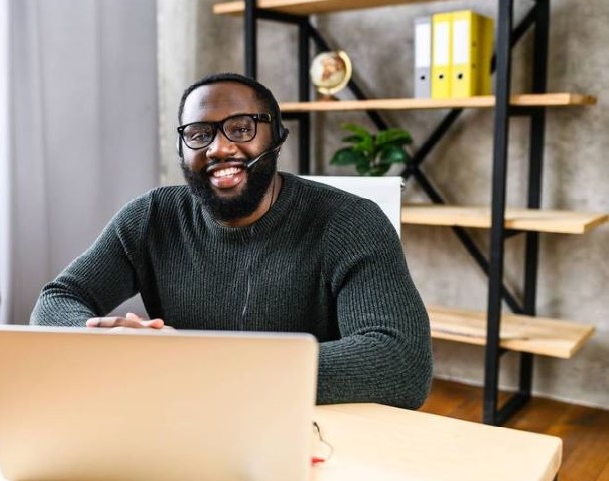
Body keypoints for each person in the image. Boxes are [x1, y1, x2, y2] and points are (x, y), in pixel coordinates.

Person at [30, 72, 432, 408]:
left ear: (276, 137)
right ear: (182, 148)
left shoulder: (349, 222)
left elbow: (401, 361)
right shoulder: (152, 216)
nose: (220, 148)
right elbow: (57, 299)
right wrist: (105, 340)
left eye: (241, 128)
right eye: (199, 134)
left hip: (304, 429)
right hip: (182, 421)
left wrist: (204, 365)